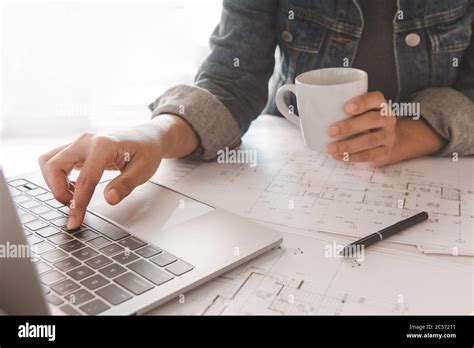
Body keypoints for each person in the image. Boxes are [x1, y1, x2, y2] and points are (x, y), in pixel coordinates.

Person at [38, 0, 474, 230]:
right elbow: (232, 82)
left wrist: (413, 133)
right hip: (299, 183)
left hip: (442, 180)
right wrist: (151, 136)